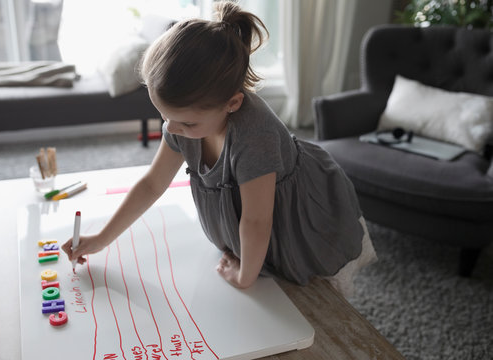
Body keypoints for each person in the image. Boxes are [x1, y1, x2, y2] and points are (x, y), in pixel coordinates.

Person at [62, 1, 376, 297]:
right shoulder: (185, 120)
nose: (171, 129)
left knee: (305, 294)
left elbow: (257, 220)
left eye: (183, 122)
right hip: (256, 212)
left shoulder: (255, 135)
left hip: (298, 216)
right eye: (164, 116)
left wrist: (244, 277)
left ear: (232, 104)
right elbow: (152, 184)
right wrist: (101, 239)